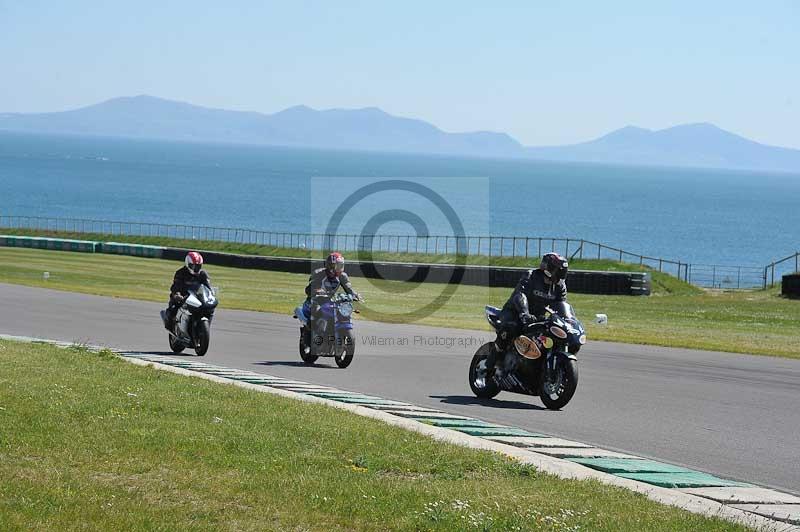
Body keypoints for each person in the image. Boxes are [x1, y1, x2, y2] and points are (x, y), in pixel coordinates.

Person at [487, 252, 569, 373]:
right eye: (557, 269)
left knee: (550, 335)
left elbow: (561, 305)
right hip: (514, 312)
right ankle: (490, 363)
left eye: (561, 271)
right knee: (512, 327)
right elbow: (520, 295)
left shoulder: (560, 287)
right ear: (547, 266)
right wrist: (524, 313)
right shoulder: (531, 276)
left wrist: (567, 320)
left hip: (537, 318)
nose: (559, 273)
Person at [302, 252, 359, 350]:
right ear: (329, 265)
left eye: (340, 265)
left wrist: (355, 295)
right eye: (337, 265)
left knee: (343, 309)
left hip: (330, 301)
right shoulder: (319, 273)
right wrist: (316, 291)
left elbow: (349, 288)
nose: (338, 268)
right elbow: (308, 289)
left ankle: (332, 334)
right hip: (315, 300)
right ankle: (308, 339)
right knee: (315, 309)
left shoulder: (342, 276)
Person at [163, 251, 212, 330]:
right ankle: (171, 326)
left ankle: (203, 328)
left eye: (198, 266)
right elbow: (176, 286)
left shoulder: (203, 274)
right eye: (193, 266)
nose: (195, 268)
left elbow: (208, 287)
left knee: (209, 308)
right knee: (173, 307)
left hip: (197, 297)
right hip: (182, 296)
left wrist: (211, 294)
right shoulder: (180, 273)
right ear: (187, 264)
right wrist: (177, 294)